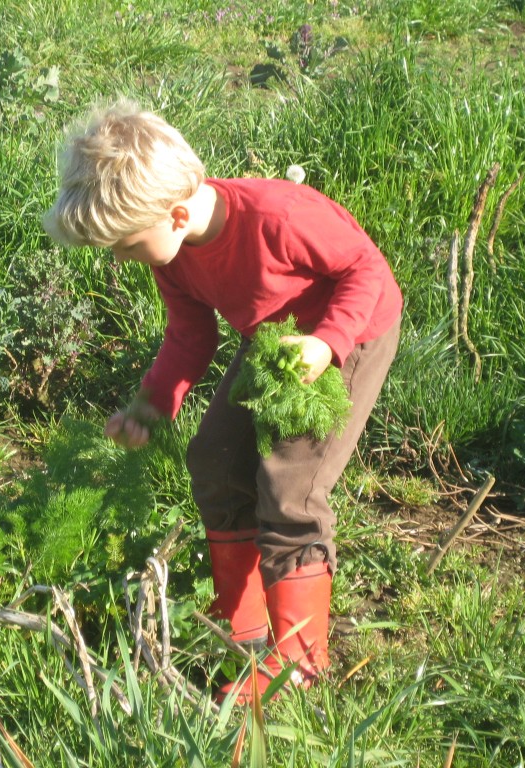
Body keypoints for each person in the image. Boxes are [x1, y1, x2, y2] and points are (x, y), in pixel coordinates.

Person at [43, 100, 402, 703]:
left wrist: (326, 343)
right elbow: (190, 334)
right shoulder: (176, 253)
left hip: (350, 334)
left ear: (177, 213)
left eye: (124, 246)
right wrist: (152, 405)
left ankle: (299, 661)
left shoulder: (276, 217)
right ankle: (242, 624)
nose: (118, 259)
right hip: (273, 340)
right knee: (214, 459)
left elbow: (364, 268)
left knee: (290, 484)